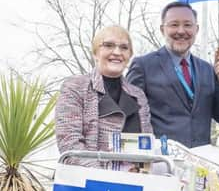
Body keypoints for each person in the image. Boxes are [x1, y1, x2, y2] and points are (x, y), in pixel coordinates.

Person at [127, 1, 219, 148]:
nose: (181, 31)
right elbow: (129, 116)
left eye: (188, 25)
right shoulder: (143, 66)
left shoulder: (208, 70)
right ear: (162, 29)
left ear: (196, 29)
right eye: (174, 25)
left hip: (201, 163)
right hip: (160, 160)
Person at [55, 26, 152, 170]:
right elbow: (69, 142)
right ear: (95, 52)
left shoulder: (138, 96)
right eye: (108, 45)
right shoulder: (74, 87)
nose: (117, 52)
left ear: (129, 55)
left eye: (124, 47)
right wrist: (103, 178)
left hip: (132, 187)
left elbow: (147, 148)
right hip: (87, 185)